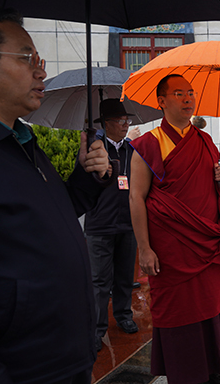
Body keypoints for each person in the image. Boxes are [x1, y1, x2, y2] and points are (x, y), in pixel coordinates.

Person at [0, 2, 110, 383]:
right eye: (26, 58)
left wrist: (88, 176)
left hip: (66, 356)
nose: (41, 71)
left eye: (39, 59)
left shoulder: (22, 142)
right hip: (23, 368)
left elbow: (53, 217)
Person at [129, 74, 220, 384]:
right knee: (179, 310)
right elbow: (136, 197)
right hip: (172, 248)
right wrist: (144, 249)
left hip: (209, 242)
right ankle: (185, 374)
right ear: (161, 101)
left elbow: (216, 187)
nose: (188, 99)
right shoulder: (148, 144)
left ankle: (213, 368)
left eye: (191, 93)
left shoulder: (205, 141)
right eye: (179, 93)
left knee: (213, 304)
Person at [85, 98, 140, 352]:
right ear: (106, 123)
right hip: (100, 225)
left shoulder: (132, 150)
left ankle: (124, 315)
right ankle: (96, 329)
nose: (126, 125)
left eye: (127, 120)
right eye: (120, 121)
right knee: (99, 281)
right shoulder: (94, 149)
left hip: (128, 224)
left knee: (125, 276)